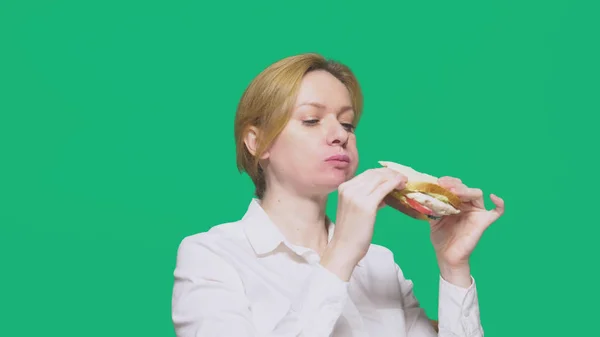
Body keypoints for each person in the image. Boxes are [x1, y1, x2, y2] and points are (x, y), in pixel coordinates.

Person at [171, 53, 505, 337]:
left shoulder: (380, 263)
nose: (339, 136)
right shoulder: (212, 256)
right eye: (312, 120)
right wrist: (341, 253)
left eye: (347, 125)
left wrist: (453, 267)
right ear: (257, 142)